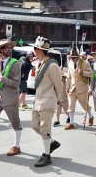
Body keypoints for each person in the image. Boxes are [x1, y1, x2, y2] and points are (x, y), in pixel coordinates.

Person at [30, 36, 63, 167]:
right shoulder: (39, 63)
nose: (34, 50)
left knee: (45, 129)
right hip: (38, 101)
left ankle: (47, 155)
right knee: (34, 126)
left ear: (40, 50)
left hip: (47, 102)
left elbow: (58, 85)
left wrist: (57, 99)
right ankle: (52, 142)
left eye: (35, 48)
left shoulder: (52, 65)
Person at [65, 49, 94, 130]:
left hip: (82, 88)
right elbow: (69, 76)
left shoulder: (85, 63)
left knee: (85, 105)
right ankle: (71, 123)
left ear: (78, 57)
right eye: (71, 57)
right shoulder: (70, 63)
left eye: (74, 57)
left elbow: (91, 74)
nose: (72, 59)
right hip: (72, 88)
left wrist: (83, 72)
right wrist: (67, 87)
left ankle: (91, 117)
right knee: (71, 105)